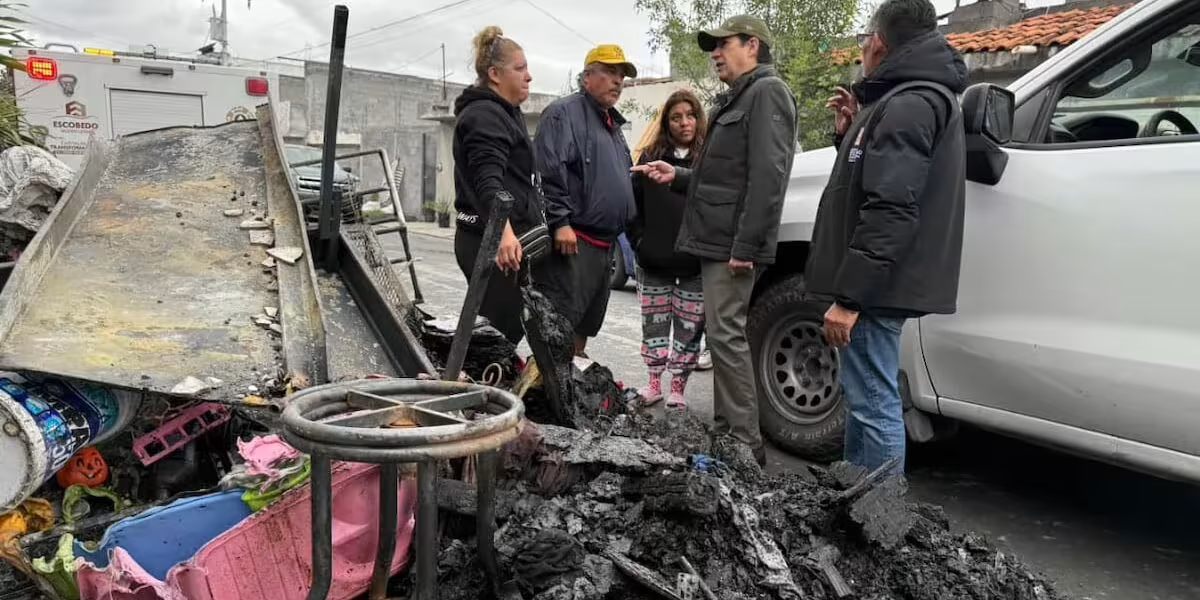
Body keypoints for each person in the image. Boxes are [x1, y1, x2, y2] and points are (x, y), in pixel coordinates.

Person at [805, 0, 968, 474]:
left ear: (878, 42)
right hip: (882, 281)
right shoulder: (908, 100)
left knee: (873, 401)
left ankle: (880, 510)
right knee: (864, 397)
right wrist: (850, 135)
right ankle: (858, 497)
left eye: (864, 40)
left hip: (878, 286)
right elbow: (879, 181)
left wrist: (850, 298)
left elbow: (891, 207)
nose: (862, 50)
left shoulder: (910, 103)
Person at [633, 15, 796, 465]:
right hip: (720, 241)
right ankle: (728, 433)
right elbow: (725, 178)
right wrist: (678, 175)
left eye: (724, 45)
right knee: (722, 340)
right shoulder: (741, 96)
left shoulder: (767, 92)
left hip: (732, 245)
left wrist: (747, 245)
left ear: (753, 46)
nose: (716, 54)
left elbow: (768, 177)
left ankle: (744, 443)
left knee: (726, 338)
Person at [533, 44, 638, 357]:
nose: (617, 81)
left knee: (585, 325)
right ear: (587, 76)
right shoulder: (563, 113)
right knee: (560, 325)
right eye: (610, 72)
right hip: (575, 241)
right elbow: (548, 170)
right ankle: (549, 380)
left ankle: (571, 376)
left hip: (605, 246)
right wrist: (560, 222)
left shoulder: (611, 124)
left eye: (621, 76)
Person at [452, 26, 545, 345]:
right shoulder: (484, 116)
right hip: (487, 240)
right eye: (520, 68)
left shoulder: (506, 112)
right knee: (495, 336)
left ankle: (490, 373)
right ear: (494, 74)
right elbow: (488, 181)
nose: (529, 76)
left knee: (508, 330)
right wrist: (503, 234)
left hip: (504, 239)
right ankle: (477, 376)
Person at [628, 90, 707, 409]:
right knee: (654, 326)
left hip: (694, 264)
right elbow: (633, 205)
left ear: (698, 119)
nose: (684, 122)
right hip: (654, 261)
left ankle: (677, 388)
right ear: (666, 122)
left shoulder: (708, 160)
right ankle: (653, 384)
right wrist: (639, 241)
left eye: (690, 115)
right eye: (676, 117)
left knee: (689, 329)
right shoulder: (649, 158)